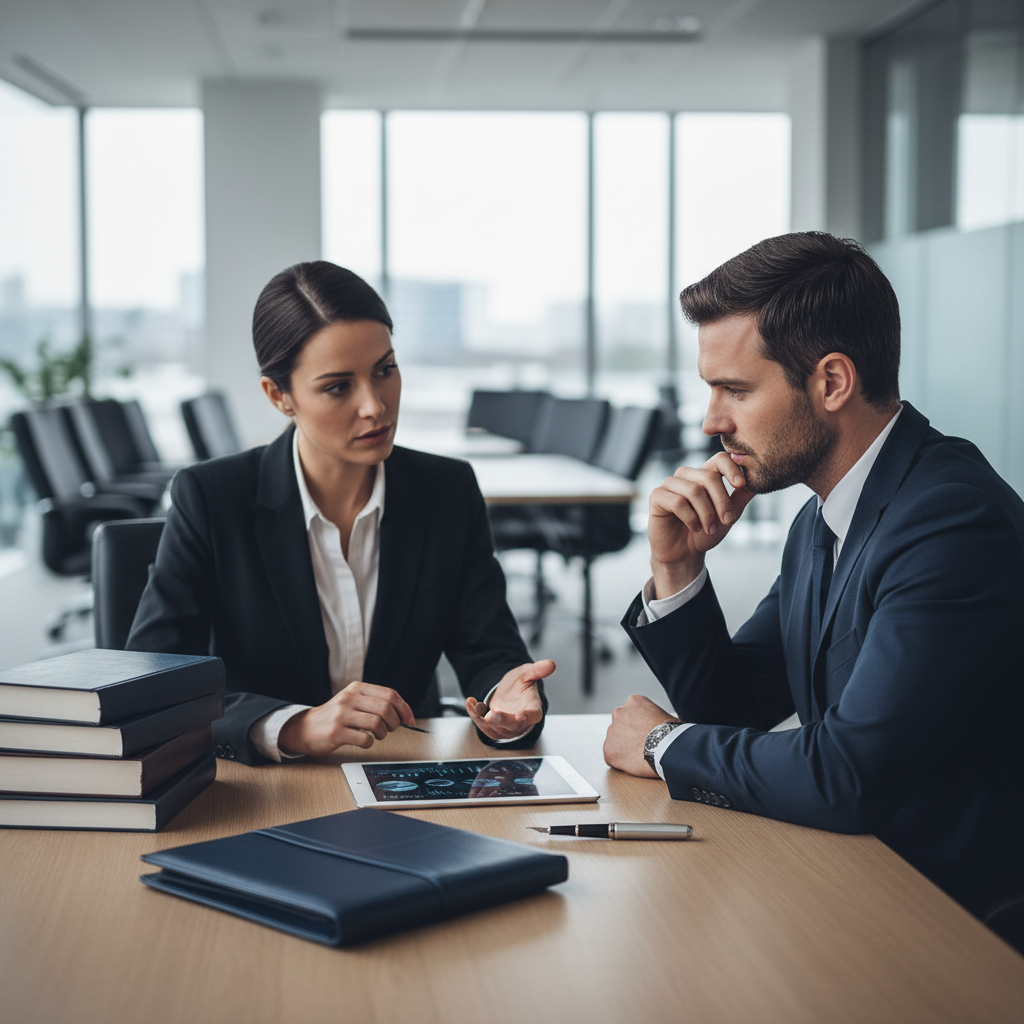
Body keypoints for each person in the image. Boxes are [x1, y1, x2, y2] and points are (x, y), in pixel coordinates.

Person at [603, 232, 1024, 939]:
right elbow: (737, 709)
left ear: (831, 382)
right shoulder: (821, 518)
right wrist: (679, 568)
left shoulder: (951, 520)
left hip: (952, 916)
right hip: (856, 873)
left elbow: (847, 775)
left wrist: (661, 746)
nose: (711, 422)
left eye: (733, 389)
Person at [128, 261, 553, 765]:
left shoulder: (446, 490)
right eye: (337, 386)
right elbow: (154, 682)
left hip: (397, 773)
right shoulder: (212, 497)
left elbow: (490, 652)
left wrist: (506, 701)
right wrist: (291, 726)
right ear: (279, 396)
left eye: (385, 371)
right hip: (262, 790)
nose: (375, 406)